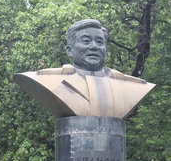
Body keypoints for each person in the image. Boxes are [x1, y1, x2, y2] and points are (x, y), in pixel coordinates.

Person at [13, 19, 155, 119]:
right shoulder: (47, 79)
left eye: (99, 42)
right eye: (86, 41)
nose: (94, 46)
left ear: (105, 50)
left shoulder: (131, 86)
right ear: (69, 50)